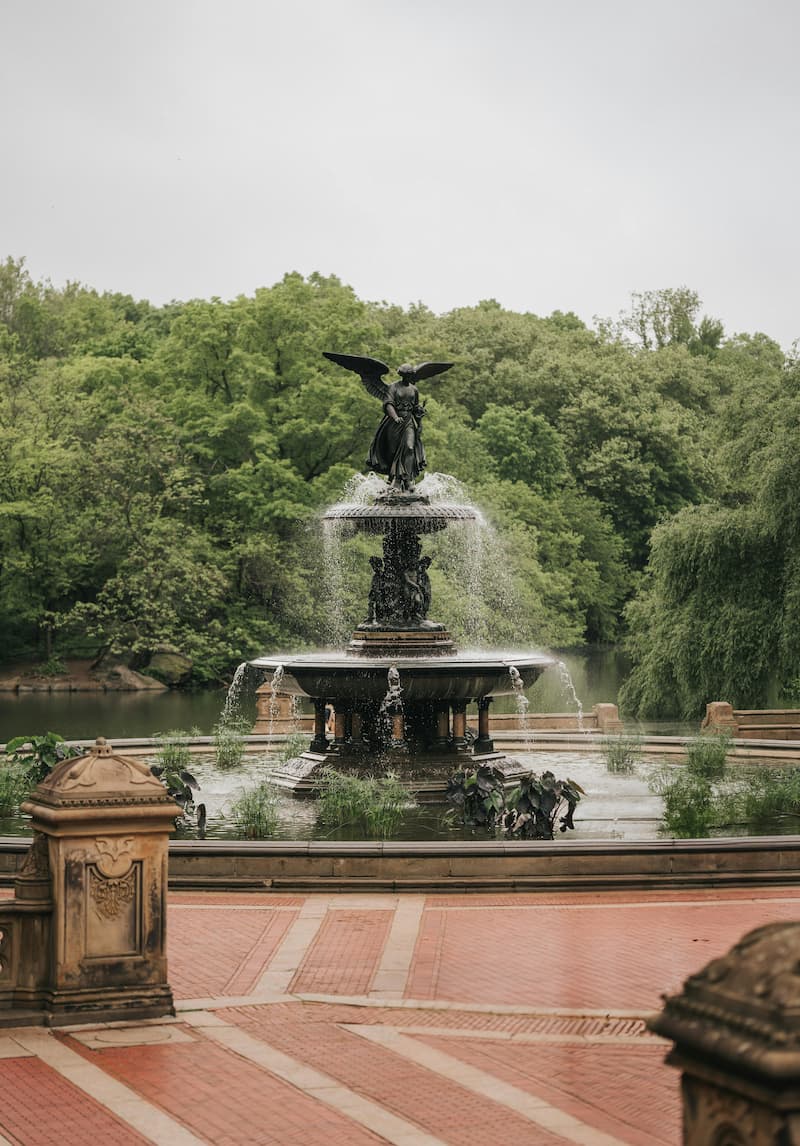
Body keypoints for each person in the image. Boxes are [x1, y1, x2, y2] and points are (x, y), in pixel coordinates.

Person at [366, 366, 427, 492]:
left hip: (408, 422)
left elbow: (415, 408)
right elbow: (388, 404)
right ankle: (394, 479)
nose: (410, 377)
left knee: (409, 448)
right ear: (403, 375)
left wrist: (419, 419)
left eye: (412, 375)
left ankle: (406, 480)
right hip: (394, 423)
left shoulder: (414, 389)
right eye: (408, 375)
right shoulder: (393, 387)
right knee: (393, 452)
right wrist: (395, 417)